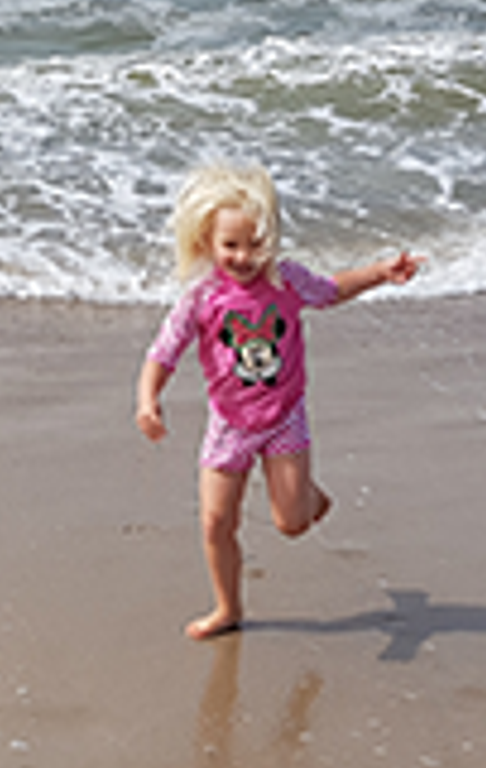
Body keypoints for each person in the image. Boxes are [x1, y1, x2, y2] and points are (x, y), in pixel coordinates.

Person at [135, 163, 419, 640]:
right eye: (231, 246)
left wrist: (380, 273)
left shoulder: (285, 281)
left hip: (284, 417)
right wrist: (148, 399)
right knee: (214, 523)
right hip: (229, 424)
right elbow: (163, 352)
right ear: (207, 242)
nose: (245, 256)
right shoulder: (201, 297)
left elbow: (332, 290)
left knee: (291, 524)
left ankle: (309, 498)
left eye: (256, 244)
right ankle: (227, 608)